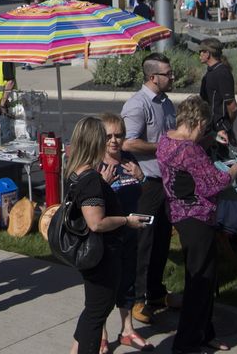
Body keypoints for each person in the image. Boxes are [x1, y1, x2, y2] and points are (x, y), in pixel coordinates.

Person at [157, 96, 237, 354]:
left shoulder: (166, 139)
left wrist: (208, 140)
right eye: (204, 127)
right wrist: (234, 170)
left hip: (179, 213)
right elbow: (211, 183)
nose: (205, 131)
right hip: (197, 218)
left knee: (204, 275)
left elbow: (186, 161)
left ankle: (205, 333)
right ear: (199, 121)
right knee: (200, 281)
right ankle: (187, 343)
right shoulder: (190, 151)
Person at [65, 117, 149, 354]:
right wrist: (126, 220)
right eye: (105, 137)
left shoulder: (76, 171)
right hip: (101, 254)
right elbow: (97, 223)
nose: (111, 141)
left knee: (93, 309)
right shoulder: (91, 178)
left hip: (94, 252)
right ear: (94, 142)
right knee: (96, 313)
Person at [120, 53, 177, 326]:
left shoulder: (166, 103)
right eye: (168, 73)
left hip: (166, 180)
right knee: (145, 242)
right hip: (147, 184)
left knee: (162, 238)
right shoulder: (137, 105)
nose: (173, 77)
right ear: (153, 77)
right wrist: (164, 147)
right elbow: (128, 144)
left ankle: (155, 292)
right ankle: (138, 299)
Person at [96, 113, 148, 354]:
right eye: (109, 136)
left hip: (130, 233)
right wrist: (102, 185)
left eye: (119, 135)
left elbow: (140, 193)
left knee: (128, 281)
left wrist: (141, 177)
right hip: (107, 237)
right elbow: (89, 205)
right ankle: (102, 334)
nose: (114, 141)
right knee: (106, 285)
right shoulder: (96, 164)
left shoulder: (128, 159)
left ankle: (127, 329)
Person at [197, 38, 237, 156]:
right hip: (208, 126)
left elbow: (233, 107)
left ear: (208, 53)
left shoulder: (222, 73)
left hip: (218, 129)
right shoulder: (210, 72)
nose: (199, 54)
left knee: (219, 163)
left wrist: (226, 127)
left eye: (201, 51)